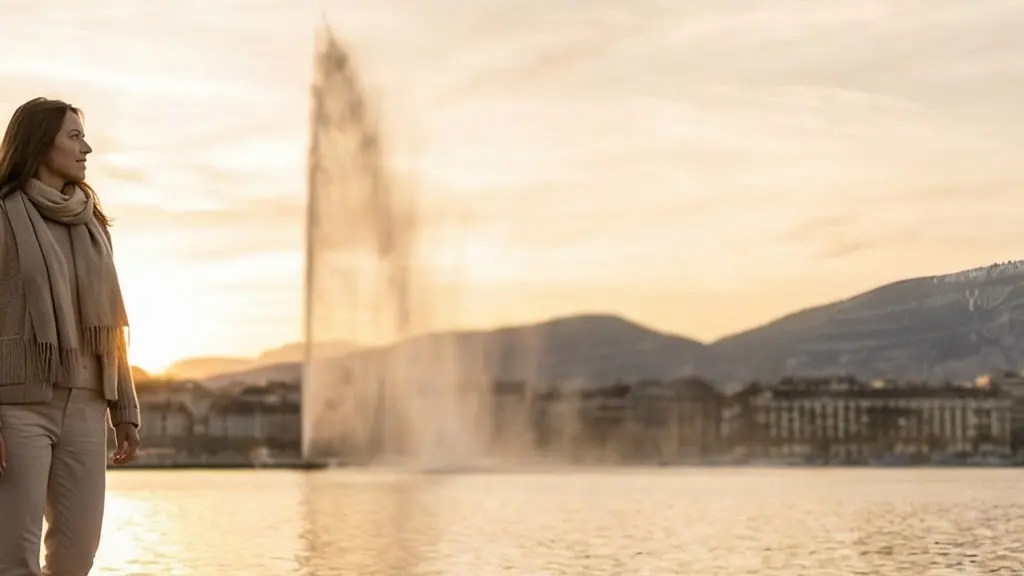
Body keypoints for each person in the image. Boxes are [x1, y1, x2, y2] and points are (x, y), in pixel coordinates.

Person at [0, 97, 142, 576]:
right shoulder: (2, 218)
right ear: (42, 144)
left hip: (86, 406)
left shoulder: (93, 224)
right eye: (74, 136)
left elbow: (111, 326)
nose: (87, 148)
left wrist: (125, 410)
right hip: (16, 409)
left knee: (77, 555)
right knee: (13, 557)